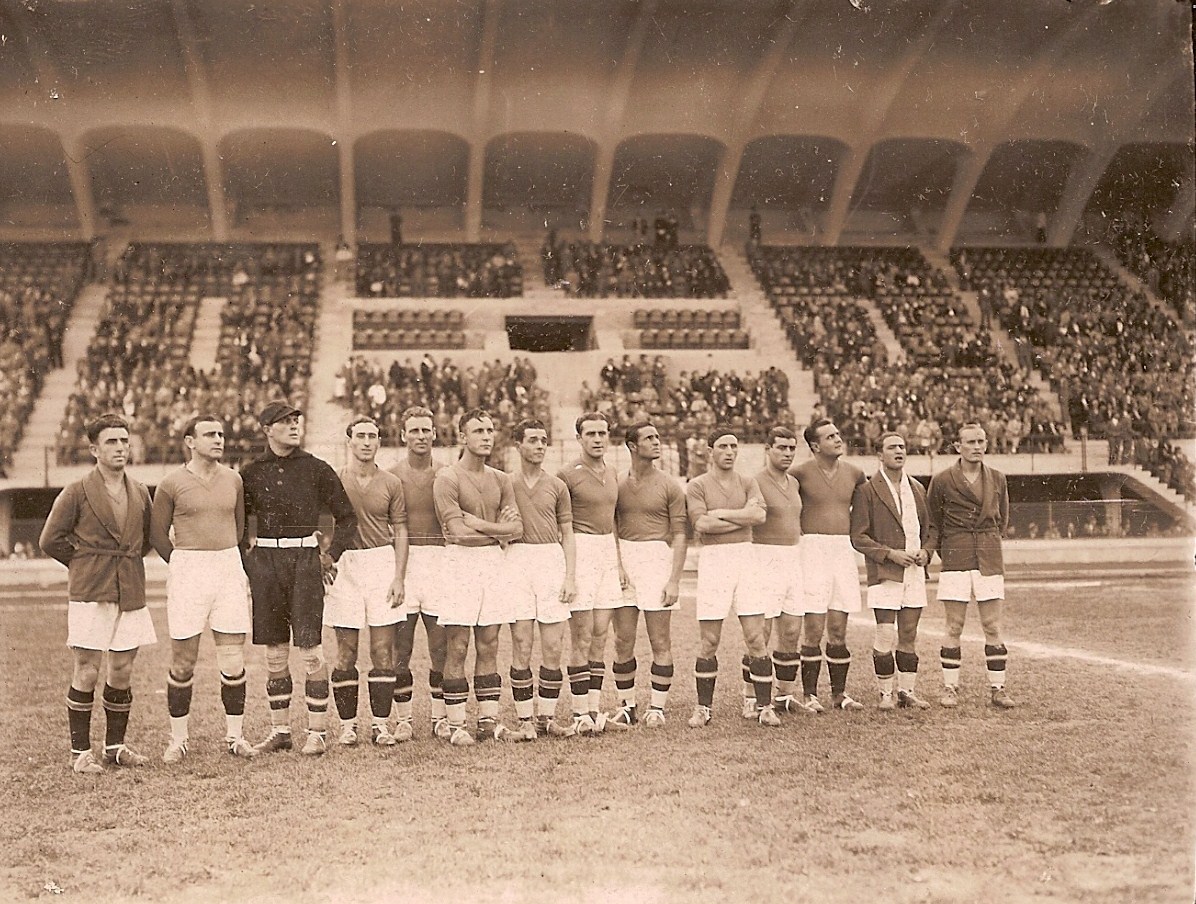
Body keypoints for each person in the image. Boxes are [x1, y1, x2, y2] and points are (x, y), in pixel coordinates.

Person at [242, 401, 359, 757]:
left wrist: (328, 556)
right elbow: (235, 521)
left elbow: (347, 518)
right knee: (275, 652)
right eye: (285, 421)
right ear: (267, 428)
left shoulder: (316, 469)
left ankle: (317, 732)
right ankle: (280, 732)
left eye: (296, 420)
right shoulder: (250, 472)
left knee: (310, 649)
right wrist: (250, 563)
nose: (294, 426)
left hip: (305, 561)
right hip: (266, 561)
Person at [41, 413, 155, 773]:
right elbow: (50, 540)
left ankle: (114, 747)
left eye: (124, 440)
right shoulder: (77, 490)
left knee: (122, 668)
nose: (120, 447)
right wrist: (84, 564)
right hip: (91, 589)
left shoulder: (139, 490)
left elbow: (146, 539)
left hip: (130, 587)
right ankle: (80, 753)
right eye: (111, 441)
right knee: (87, 669)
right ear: (94, 449)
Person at [149, 414, 257, 763]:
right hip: (189, 569)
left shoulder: (234, 480)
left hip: (227, 567)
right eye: (209, 434)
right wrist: (182, 564)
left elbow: (239, 529)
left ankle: (235, 736)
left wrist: (227, 560)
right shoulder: (171, 482)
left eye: (221, 434)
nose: (218, 439)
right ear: (190, 441)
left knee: (232, 658)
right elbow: (157, 535)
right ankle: (178, 739)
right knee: (183, 661)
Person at [433, 409, 523, 745]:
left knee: (489, 644)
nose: (487, 436)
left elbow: (518, 529)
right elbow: (457, 533)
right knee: (457, 646)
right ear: (462, 436)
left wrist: (483, 525)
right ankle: (457, 726)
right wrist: (499, 532)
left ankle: (488, 724)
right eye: (478, 430)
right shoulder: (448, 478)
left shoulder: (501, 479)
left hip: (493, 564)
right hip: (461, 566)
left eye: (490, 430)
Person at [325, 417, 409, 748]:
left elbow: (400, 529)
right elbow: (319, 523)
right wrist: (324, 558)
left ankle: (380, 725)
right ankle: (347, 726)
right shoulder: (333, 480)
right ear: (349, 441)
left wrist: (399, 575)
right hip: (344, 564)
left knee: (382, 649)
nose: (366, 442)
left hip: (380, 562)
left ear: (379, 442)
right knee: (345, 650)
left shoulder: (390, 482)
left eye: (372, 436)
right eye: (360, 436)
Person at [685, 427, 775, 728]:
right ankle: (703, 708)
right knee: (709, 640)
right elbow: (702, 524)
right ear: (710, 450)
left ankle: (764, 707)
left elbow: (759, 517)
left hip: (745, 558)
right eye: (722, 446)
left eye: (733, 446)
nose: (729, 451)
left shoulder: (748, 482)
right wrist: (740, 516)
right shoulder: (697, 485)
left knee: (756, 637)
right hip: (714, 561)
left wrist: (722, 512)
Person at [926, 423, 1015, 709]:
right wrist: (951, 548)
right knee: (954, 625)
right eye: (970, 442)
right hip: (957, 554)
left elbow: (1002, 521)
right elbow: (934, 522)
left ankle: (998, 688)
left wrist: (986, 542)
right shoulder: (941, 480)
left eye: (981, 441)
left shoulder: (998, 478)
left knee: (991, 624)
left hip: (988, 555)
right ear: (957, 446)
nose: (977, 446)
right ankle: (950, 688)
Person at [608, 421, 687, 728]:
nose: (657, 442)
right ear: (632, 446)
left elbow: (681, 534)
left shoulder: (669, 485)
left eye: (657, 436)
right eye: (649, 438)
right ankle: (626, 705)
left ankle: (657, 707)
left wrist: (674, 579)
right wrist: (617, 563)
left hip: (657, 559)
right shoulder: (616, 483)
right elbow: (611, 524)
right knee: (623, 640)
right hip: (625, 559)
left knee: (660, 640)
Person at [505, 418, 578, 738]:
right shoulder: (505, 483)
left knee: (552, 644)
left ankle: (546, 717)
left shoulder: (558, 485)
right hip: (517, 560)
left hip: (550, 560)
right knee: (521, 642)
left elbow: (568, 533)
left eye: (543, 440)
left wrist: (570, 576)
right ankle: (524, 720)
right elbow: (502, 528)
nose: (539, 446)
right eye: (532, 440)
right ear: (518, 445)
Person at [850, 432, 934, 711]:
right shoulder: (867, 490)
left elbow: (931, 530)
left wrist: (926, 551)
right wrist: (889, 554)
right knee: (886, 632)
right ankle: (885, 693)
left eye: (902, 446)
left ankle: (906, 692)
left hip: (914, 572)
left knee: (909, 632)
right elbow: (858, 537)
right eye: (892, 447)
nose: (899, 451)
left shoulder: (918, 489)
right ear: (879, 455)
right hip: (886, 572)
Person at [791, 419, 867, 711]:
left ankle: (840, 694)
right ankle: (810, 695)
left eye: (838, 434)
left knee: (838, 627)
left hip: (842, 551)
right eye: (830, 436)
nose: (838, 439)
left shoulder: (856, 474)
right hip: (811, 551)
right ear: (814, 446)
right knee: (813, 628)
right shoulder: (799, 474)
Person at [556, 412, 623, 735]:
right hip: (580, 552)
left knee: (600, 634)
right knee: (581, 636)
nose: (598, 439)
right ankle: (579, 711)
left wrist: (619, 562)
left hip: (607, 552)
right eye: (591, 434)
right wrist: (567, 570)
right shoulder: (567, 475)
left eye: (602, 433)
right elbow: (560, 525)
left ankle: (594, 710)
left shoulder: (612, 473)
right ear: (579, 438)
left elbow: (614, 522)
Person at [388, 406, 449, 740]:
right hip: (404, 562)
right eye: (414, 430)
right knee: (402, 647)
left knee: (440, 645)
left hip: (439, 561)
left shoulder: (447, 473)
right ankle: (404, 719)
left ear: (435, 434)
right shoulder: (392, 475)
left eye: (426, 430)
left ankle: (440, 717)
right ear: (403, 435)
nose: (421, 436)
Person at [745, 426, 811, 716]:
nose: (786, 453)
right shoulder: (754, 481)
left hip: (793, 557)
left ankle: (784, 695)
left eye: (791, 448)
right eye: (781, 448)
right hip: (764, 557)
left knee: (792, 629)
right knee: (762, 631)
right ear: (767, 449)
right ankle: (750, 697)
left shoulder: (794, 483)